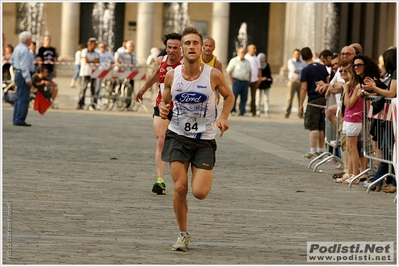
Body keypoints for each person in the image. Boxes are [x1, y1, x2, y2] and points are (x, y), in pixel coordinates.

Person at [159, 27, 234, 252]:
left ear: (202, 48)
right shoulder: (173, 75)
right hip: (178, 135)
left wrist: (223, 117)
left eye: (195, 43)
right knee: (180, 188)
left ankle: (197, 169)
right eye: (187, 43)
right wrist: (164, 109)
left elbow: (229, 96)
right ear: (182, 48)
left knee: (200, 193)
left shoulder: (213, 75)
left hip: (204, 139)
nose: (191, 46)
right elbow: (165, 100)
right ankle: (183, 234)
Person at [135, 32, 183, 195]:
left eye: (175, 48)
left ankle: (181, 178)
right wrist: (144, 88)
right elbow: (157, 74)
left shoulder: (186, 64)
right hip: (161, 105)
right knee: (161, 141)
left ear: (181, 49)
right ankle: (160, 180)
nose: (171, 51)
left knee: (181, 145)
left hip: (181, 109)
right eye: (169, 47)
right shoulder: (162, 60)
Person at [299, 47, 330, 159]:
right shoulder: (322, 67)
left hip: (313, 100)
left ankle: (313, 150)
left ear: (302, 57)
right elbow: (328, 81)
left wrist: (300, 104)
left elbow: (303, 88)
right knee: (321, 125)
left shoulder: (305, 70)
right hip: (324, 99)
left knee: (313, 126)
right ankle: (320, 150)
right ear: (312, 55)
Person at [335, 65, 363, 183]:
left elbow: (350, 104)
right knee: (349, 148)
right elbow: (346, 103)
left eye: (349, 73)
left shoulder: (357, 87)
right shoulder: (352, 88)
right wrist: (346, 91)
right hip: (348, 118)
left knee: (353, 147)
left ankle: (354, 174)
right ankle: (349, 172)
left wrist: (346, 90)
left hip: (354, 119)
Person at [10, 31, 34, 126]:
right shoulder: (25, 50)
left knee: (18, 97)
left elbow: (12, 60)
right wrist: (28, 78)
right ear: (28, 40)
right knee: (23, 98)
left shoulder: (17, 48)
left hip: (18, 73)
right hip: (23, 74)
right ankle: (20, 119)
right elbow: (24, 66)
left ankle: (16, 118)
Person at [226, 47, 251, 116]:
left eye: (244, 52)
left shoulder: (247, 61)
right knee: (234, 96)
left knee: (244, 97)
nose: (243, 54)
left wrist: (249, 79)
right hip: (237, 81)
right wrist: (232, 80)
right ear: (238, 53)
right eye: (241, 52)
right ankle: (233, 110)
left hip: (245, 81)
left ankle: (242, 111)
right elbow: (228, 71)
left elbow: (250, 71)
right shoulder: (234, 60)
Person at [115, 40, 139, 109]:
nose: (132, 48)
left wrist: (137, 67)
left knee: (130, 90)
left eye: (133, 46)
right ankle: (119, 98)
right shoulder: (122, 53)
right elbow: (117, 54)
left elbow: (137, 63)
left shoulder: (134, 55)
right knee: (121, 87)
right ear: (127, 47)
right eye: (130, 46)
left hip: (131, 74)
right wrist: (117, 61)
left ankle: (127, 105)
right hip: (124, 73)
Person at [77, 37, 99, 110]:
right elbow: (86, 60)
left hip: (93, 72)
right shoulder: (84, 51)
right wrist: (93, 62)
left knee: (93, 89)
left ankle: (93, 104)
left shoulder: (95, 52)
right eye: (94, 44)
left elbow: (97, 61)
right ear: (91, 44)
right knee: (83, 88)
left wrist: (92, 62)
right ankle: (80, 103)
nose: (95, 46)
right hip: (85, 72)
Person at [285, 49, 307, 118]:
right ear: (293, 54)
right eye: (296, 54)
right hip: (292, 81)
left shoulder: (303, 62)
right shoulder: (290, 61)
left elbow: (304, 70)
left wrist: (298, 69)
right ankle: (287, 112)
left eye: (298, 54)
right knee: (290, 97)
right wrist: (300, 69)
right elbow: (293, 69)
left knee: (300, 98)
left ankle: (300, 112)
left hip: (300, 81)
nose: (297, 55)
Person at [245, 44, 262, 117]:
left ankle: (253, 110)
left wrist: (260, 77)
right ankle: (242, 109)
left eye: (255, 48)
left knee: (254, 96)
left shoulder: (257, 58)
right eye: (253, 48)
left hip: (254, 79)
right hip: (246, 79)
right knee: (244, 96)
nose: (255, 50)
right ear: (249, 50)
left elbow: (259, 68)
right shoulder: (245, 57)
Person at [256, 53, 273, 117]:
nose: (264, 59)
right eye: (263, 58)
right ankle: (258, 111)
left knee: (266, 99)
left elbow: (269, 74)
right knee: (258, 98)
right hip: (259, 83)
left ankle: (267, 111)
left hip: (266, 83)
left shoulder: (267, 65)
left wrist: (267, 78)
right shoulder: (258, 65)